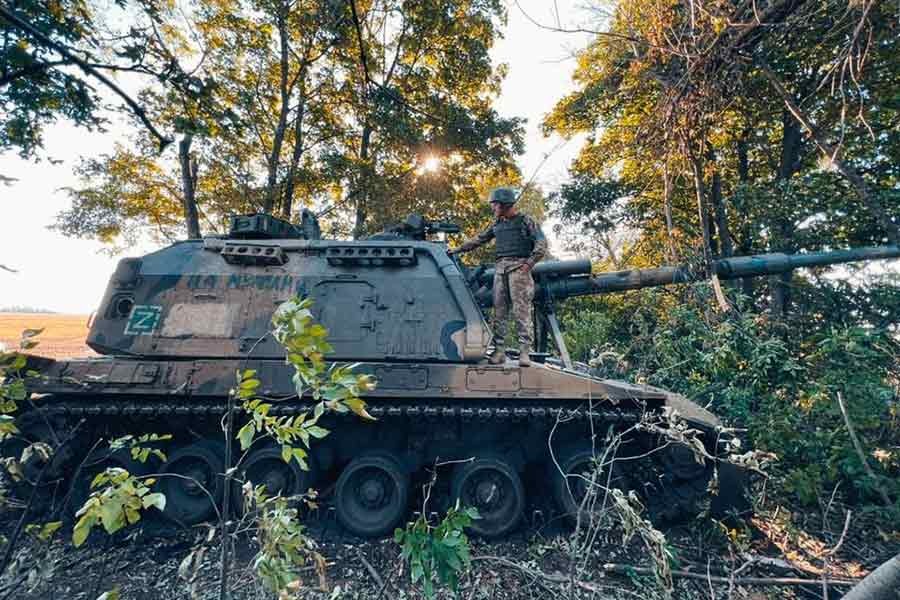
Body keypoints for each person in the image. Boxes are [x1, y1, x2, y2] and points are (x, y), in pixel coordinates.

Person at [449, 187, 547, 366]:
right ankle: (499, 350)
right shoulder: (497, 224)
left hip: (519, 269)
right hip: (500, 270)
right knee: (499, 312)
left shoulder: (526, 221)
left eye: (495, 204)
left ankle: (525, 352)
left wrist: (529, 264)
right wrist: (458, 249)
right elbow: (479, 239)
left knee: (521, 311)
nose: (493, 208)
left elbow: (541, 243)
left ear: (504, 204)